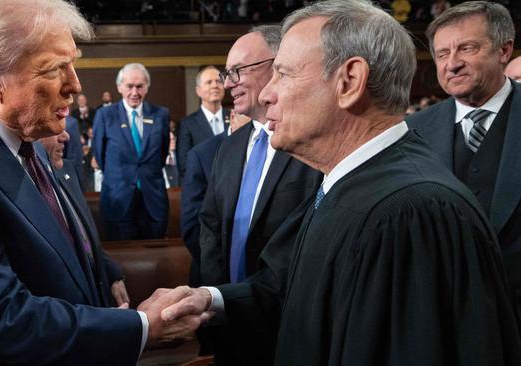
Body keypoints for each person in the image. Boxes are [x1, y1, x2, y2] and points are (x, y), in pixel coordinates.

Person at [149, 1, 521, 365]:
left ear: (349, 81)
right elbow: (297, 292)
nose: (266, 93)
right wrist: (210, 300)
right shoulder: (346, 182)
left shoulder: (410, 210)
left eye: (284, 73)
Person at [0, 1, 200, 364]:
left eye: (72, 63)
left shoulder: (30, 143)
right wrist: (142, 328)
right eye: (55, 69)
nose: (75, 84)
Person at [405, 1, 521, 312]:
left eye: (466, 48)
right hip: (440, 313)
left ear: (504, 50)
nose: (451, 64)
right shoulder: (411, 131)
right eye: (442, 54)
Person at [200, 25, 321, 287]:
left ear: (277, 65)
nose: (228, 83)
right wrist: (216, 299)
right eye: (226, 74)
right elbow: (210, 226)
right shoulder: (228, 148)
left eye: (238, 71)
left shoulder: (310, 143)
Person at [37, 131, 130, 306]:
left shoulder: (67, 169)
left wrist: (113, 275)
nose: (65, 136)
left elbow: (86, 237)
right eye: (55, 130)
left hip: (97, 294)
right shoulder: (27, 184)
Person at [92, 63, 170, 240]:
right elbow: (99, 154)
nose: (135, 92)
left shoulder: (161, 115)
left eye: (140, 86)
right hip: (118, 200)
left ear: (147, 87)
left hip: (153, 201)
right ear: (120, 87)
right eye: (129, 86)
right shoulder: (105, 116)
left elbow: (163, 153)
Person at [181, 110, 250, 287]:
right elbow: (192, 225)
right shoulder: (202, 154)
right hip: (210, 275)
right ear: (233, 117)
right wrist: (217, 268)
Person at [177, 65, 229, 179]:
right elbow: (185, 165)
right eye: (209, 82)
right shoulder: (187, 124)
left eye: (218, 81)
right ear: (198, 91)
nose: (215, 85)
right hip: (204, 189)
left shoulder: (236, 118)